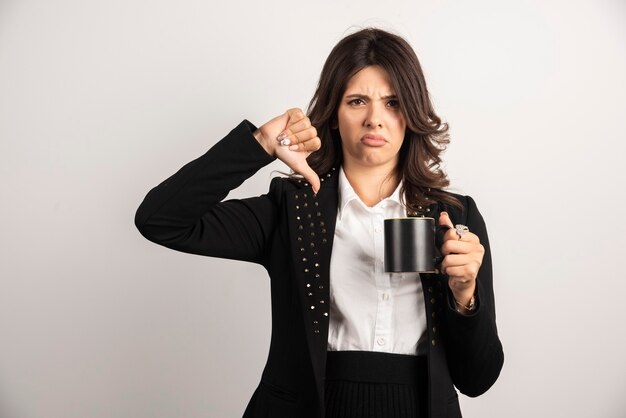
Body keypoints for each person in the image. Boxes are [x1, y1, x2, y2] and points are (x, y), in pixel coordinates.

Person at [135, 27, 503, 418]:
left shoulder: (454, 216)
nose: (375, 119)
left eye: (393, 103)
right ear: (333, 115)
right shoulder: (291, 209)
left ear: (412, 115)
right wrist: (259, 143)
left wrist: (465, 296)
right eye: (357, 101)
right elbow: (160, 220)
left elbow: (478, 379)